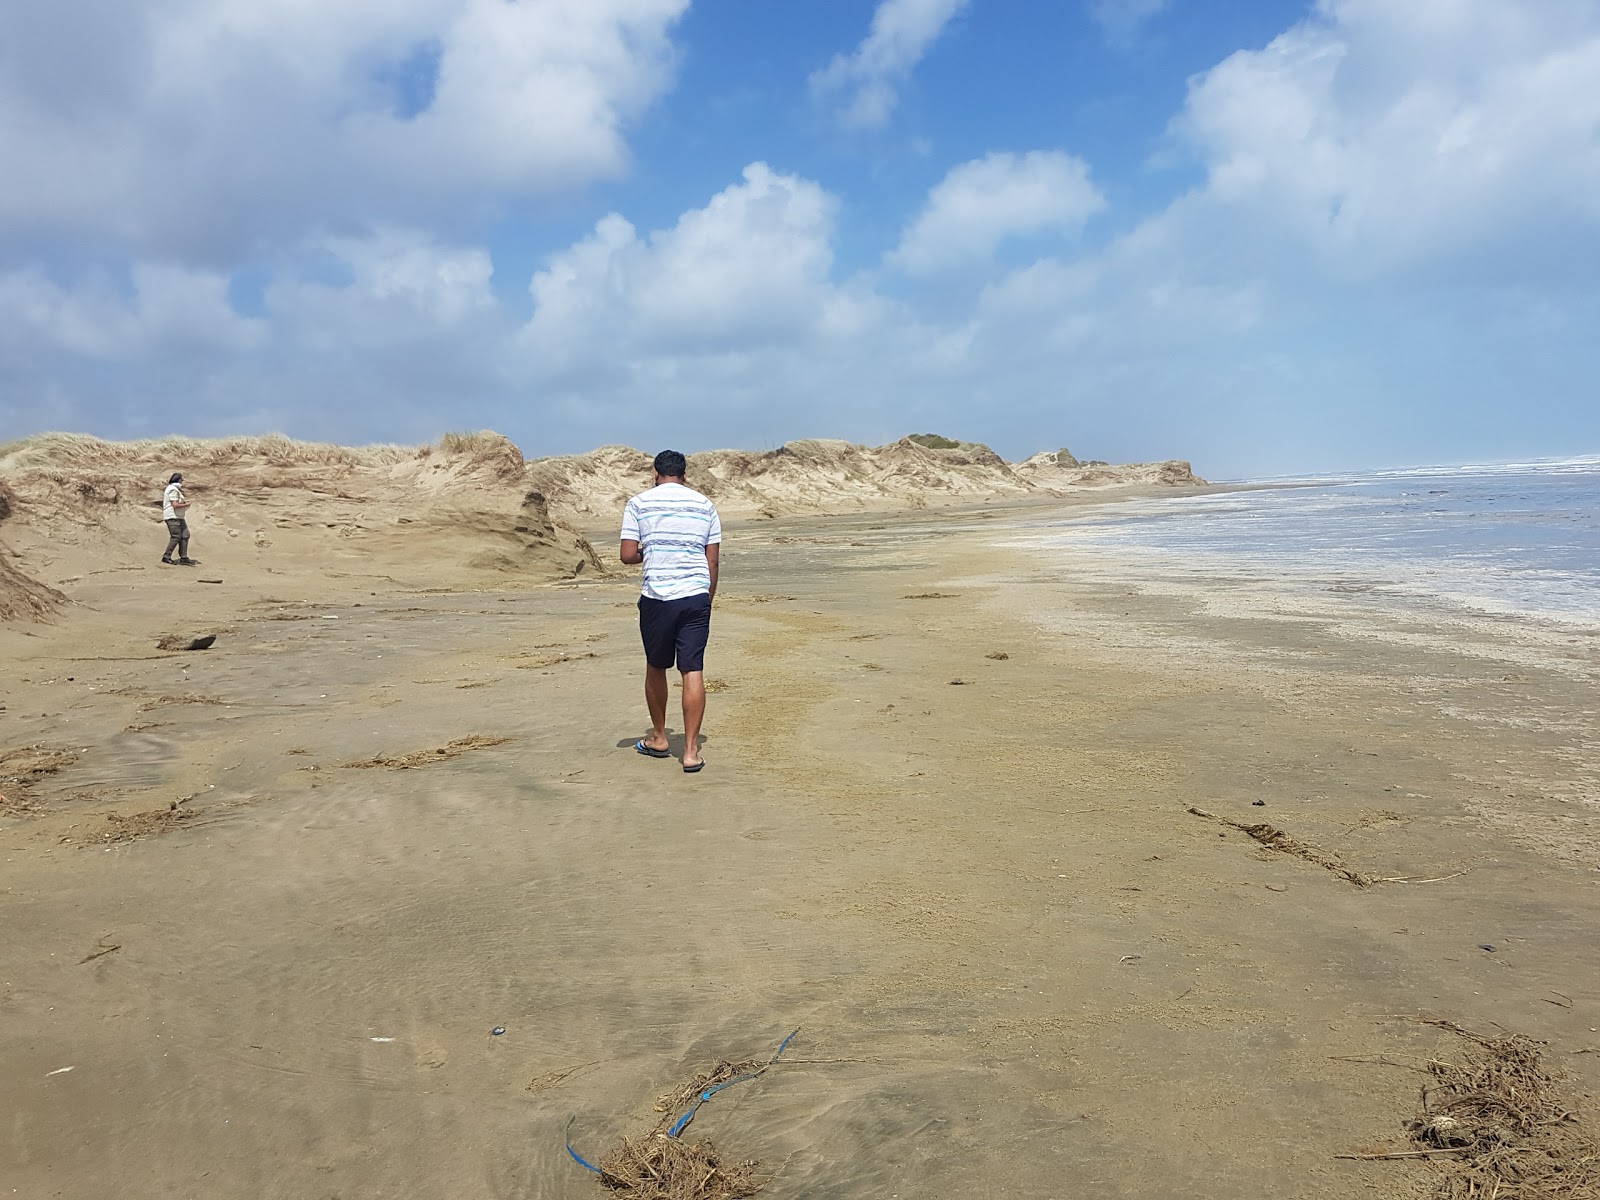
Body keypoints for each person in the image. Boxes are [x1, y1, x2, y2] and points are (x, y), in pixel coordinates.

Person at [620, 450, 721, 773]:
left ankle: (660, 737)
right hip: (694, 596)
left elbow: (626, 555)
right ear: (684, 474)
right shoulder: (704, 505)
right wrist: (709, 597)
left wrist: (649, 552)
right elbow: (713, 560)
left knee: (656, 666)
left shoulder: (638, 504)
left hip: (657, 597)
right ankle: (691, 752)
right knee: (692, 670)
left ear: (655, 474)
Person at [161, 472, 195, 565]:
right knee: (176, 536)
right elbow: (175, 504)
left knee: (185, 534)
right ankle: (166, 556)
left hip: (178, 516)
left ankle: (183, 557)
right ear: (179, 480)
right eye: (181, 479)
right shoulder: (173, 489)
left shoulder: (175, 489)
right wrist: (186, 504)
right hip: (172, 516)